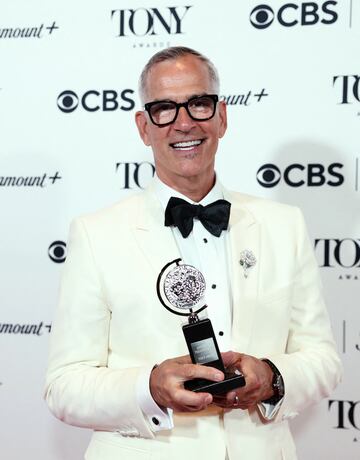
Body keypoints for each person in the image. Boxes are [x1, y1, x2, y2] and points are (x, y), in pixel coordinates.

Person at [44, 46, 342, 460]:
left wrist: (273, 377)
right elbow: (64, 385)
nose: (184, 123)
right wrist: (148, 387)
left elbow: (322, 359)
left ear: (221, 116)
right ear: (144, 127)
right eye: (164, 108)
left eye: (198, 104)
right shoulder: (96, 234)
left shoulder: (283, 224)